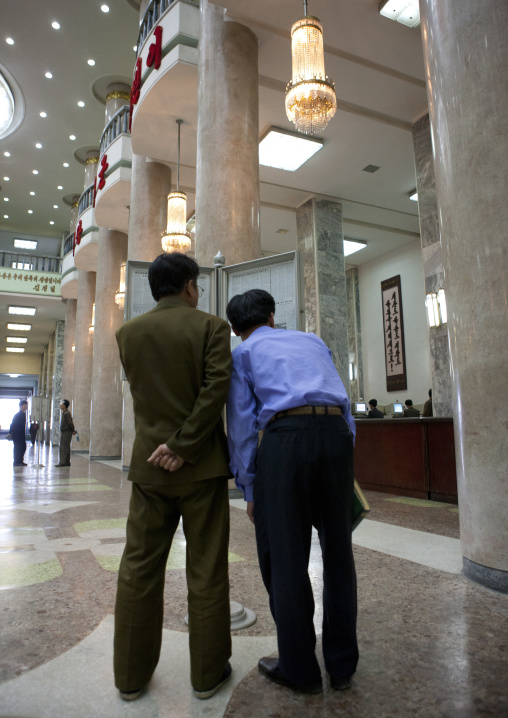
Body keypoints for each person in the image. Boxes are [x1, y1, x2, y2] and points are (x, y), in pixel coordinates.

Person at [226, 289, 359, 695]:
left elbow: (244, 426)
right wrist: (342, 453)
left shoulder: (243, 354)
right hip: (335, 434)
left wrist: (249, 487)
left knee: (284, 555)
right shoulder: (313, 340)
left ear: (236, 329)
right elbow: (347, 407)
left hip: (286, 440)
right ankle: (341, 666)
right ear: (271, 316)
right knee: (338, 552)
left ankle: (299, 668)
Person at [114, 252, 232, 702]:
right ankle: (206, 676)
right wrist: (183, 446)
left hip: (148, 469)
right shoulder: (211, 328)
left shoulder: (128, 333)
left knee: (138, 570)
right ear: (188, 287)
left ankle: (129, 677)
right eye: (197, 286)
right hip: (201, 469)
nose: (197, 293)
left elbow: (146, 393)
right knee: (205, 571)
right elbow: (214, 391)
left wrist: (164, 446)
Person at [55, 400, 76, 467]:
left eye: (61, 403)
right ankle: (66, 461)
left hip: (66, 431)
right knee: (66, 447)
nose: (60, 405)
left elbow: (70, 423)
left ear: (64, 405)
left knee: (63, 447)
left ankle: (63, 462)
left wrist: (73, 430)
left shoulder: (66, 413)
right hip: (66, 431)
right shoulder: (65, 413)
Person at [10, 399, 28, 467]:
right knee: (18, 448)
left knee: (23, 447)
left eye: (26, 405)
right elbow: (13, 425)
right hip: (17, 435)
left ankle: (20, 461)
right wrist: (13, 433)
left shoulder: (23, 414)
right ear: (21, 406)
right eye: (25, 405)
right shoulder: (18, 415)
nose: (26, 406)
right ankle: (17, 462)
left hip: (21, 434)